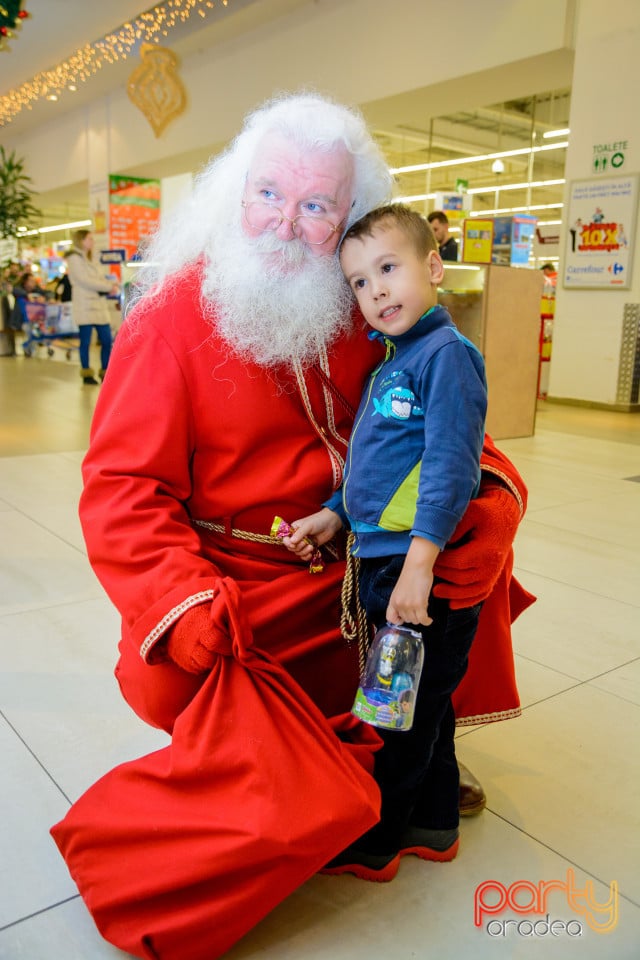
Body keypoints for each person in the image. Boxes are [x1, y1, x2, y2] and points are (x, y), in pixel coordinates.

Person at [51, 93, 533, 958]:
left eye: (318, 206)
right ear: (233, 192)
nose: (287, 222)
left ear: (352, 218)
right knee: (214, 687)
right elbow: (123, 487)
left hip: (369, 556)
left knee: (467, 560)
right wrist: (181, 595)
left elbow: (462, 433)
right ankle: (329, 777)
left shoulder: (372, 300)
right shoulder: (167, 320)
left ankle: (406, 771)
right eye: (269, 193)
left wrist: (495, 504)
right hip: (242, 578)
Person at [282, 204, 487, 880]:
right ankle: (434, 820)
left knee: (401, 712)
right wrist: (337, 514)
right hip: (382, 557)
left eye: (389, 269)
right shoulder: (391, 366)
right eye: (361, 283)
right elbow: (384, 465)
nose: (376, 293)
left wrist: (419, 565)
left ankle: (381, 835)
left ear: (433, 266)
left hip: (413, 565)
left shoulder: (447, 356)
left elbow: (453, 464)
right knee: (423, 700)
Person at [65, 229, 120, 385]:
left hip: (98, 304)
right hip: (85, 305)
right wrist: (108, 287)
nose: (92, 241)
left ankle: (105, 371)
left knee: (106, 339)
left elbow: (99, 277)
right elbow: (84, 280)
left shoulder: (91, 258)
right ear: (81, 240)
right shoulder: (74, 258)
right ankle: (86, 373)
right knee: (86, 341)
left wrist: (110, 283)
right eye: (90, 238)